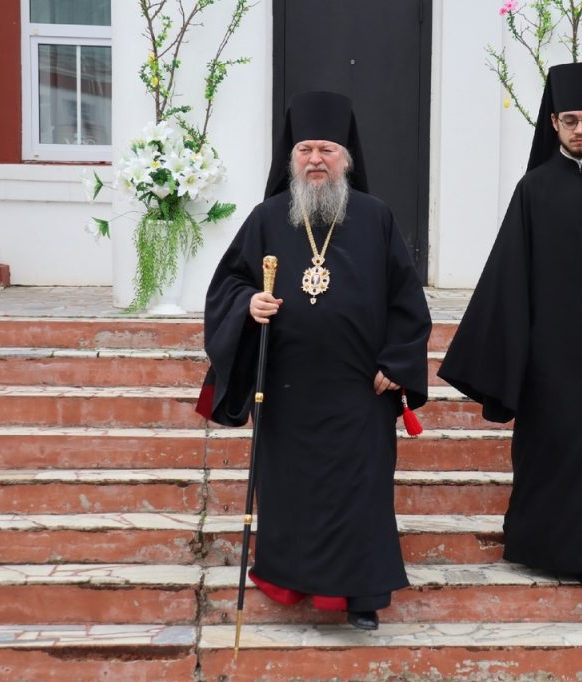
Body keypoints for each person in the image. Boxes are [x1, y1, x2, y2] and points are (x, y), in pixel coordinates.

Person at [197, 91, 431, 630]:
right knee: (291, 493)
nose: (316, 159)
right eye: (305, 150)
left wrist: (397, 363)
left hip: (360, 389)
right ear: (292, 159)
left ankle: (362, 597)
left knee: (362, 493)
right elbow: (228, 284)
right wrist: (248, 304)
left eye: (327, 149)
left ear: (346, 158)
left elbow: (408, 302)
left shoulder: (375, 218)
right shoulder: (266, 218)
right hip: (287, 390)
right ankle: (292, 581)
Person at [437, 63, 582, 586]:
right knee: (548, 453)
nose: (580, 130)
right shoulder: (533, 189)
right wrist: (512, 352)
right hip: (549, 357)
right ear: (554, 123)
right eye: (570, 120)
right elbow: (508, 277)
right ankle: (540, 548)